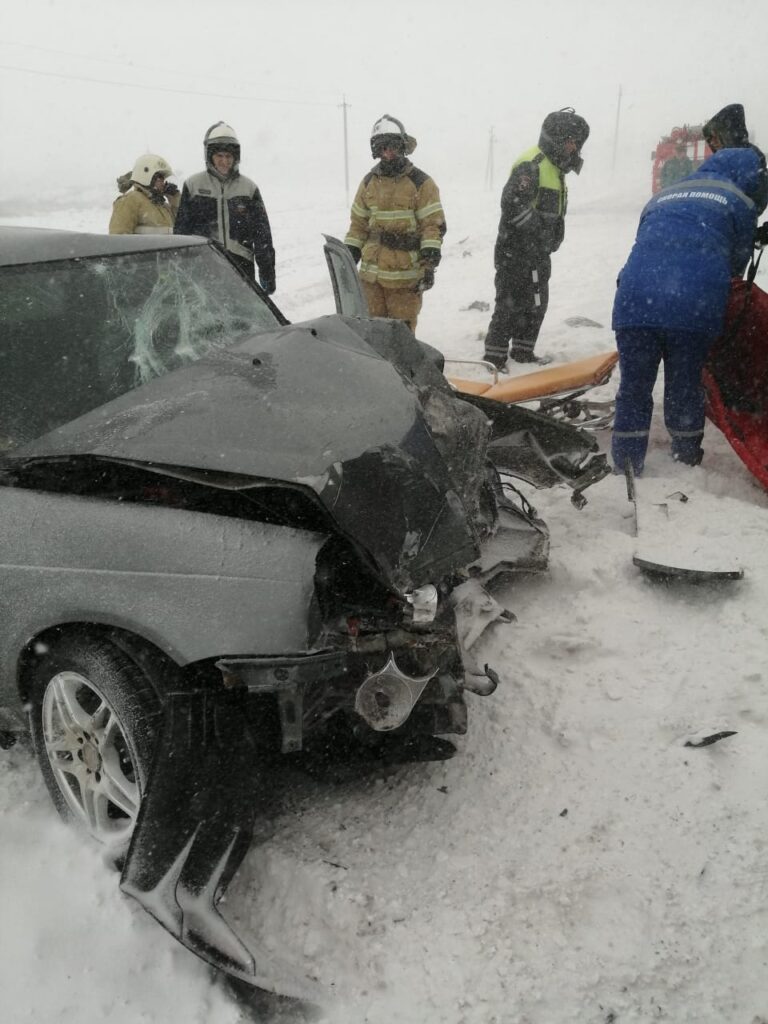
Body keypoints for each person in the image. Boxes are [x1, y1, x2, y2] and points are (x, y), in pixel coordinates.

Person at [611, 147, 763, 475]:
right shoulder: (738, 199)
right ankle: (685, 455)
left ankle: (626, 460)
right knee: (685, 382)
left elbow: (646, 240)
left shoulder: (663, 195)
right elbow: (737, 261)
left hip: (634, 299)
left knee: (633, 387)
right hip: (693, 304)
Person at [483, 107, 590, 368]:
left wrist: (547, 239)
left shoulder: (556, 169)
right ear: (557, 139)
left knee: (536, 304)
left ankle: (523, 353)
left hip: (538, 253)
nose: (574, 149)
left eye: (577, 144)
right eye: (570, 142)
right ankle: (494, 358)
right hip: (515, 251)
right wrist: (537, 233)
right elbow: (512, 204)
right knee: (509, 305)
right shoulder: (534, 163)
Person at [344, 114, 445, 334]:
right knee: (372, 335)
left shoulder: (421, 183)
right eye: (383, 148)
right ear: (377, 151)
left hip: (405, 279)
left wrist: (429, 264)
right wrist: (349, 252)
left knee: (401, 338)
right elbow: (358, 225)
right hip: (370, 278)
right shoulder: (369, 182)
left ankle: (401, 370)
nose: (388, 153)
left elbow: (432, 226)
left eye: (393, 147)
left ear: (402, 147)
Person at [174, 122, 276, 293]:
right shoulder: (193, 185)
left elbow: (262, 235)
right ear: (210, 155)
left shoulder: (248, 188)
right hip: (203, 266)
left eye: (229, 156)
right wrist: (181, 269)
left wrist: (267, 274)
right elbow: (181, 233)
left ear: (236, 157)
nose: (224, 161)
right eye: (220, 156)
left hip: (241, 267)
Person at [703, 103, 768, 214]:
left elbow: (756, 199)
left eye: (715, 137)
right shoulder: (717, 160)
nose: (712, 142)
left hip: (735, 220)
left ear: (727, 134)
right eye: (709, 139)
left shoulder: (751, 157)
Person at [109, 154, 179, 235]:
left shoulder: (163, 206)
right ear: (146, 175)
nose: (163, 183)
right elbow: (119, 238)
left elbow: (181, 225)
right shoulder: (131, 200)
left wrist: (174, 198)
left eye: (164, 179)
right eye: (160, 178)